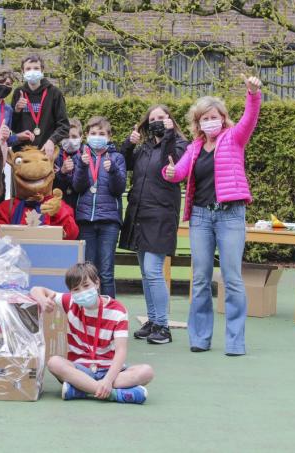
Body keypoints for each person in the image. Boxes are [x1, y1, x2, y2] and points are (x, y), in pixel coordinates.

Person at [163, 75, 262, 356]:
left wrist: (252, 94)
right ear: (198, 122)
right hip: (201, 218)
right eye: (204, 117)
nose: (210, 121)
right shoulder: (194, 148)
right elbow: (179, 172)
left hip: (230, 215)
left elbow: (250, 118)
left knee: (231, 278)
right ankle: (200, 338)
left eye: (214, 116)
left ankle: (235, 341)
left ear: (223, 118)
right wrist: (169, 173)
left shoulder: (234, 137)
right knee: (201, 278)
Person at [31, 262, 154, 403]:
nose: (82, 292)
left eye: (86, 286)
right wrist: (42, 300)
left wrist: (108, 380)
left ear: (97, 283)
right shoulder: (70, 302)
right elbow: (36, 289)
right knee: (54, 363)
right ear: (71, 292)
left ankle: (81, 389)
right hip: (80, 369)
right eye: (76, 289)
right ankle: (113, 394)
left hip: (109, 370)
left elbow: (121, 351)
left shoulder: (118, 311)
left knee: (146, 371)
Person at [119, 105, 189, 345]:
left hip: (161, 215)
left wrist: (168, 135)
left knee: (153, 271)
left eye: (162, 117)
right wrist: (129, 143)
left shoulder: (179, 143)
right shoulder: (144, 148)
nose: (157, 121)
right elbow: (124, 162)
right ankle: (152, 320)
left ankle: (162, 325)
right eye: (153, 118)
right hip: (139, 214)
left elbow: (176, 163)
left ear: (170, 119)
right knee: (146, 273)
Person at [72, 117, 126, 298]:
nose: (97, 137)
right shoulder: (81, 157)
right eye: (93, 133)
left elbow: (119, 189)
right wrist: (81, 166)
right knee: (88, 270)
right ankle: (89, 310)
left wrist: (113, 171)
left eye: (101, 134)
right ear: (86, 135)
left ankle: (109, 311)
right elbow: (77, 187)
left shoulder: (117, 158)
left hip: (109, 222)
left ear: (109, 136)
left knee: (106, 272)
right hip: (86, 220)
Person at [10, 54, 70, 158]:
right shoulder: (18, 93)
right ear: (22, 71)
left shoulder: (54, 93)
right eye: (28, 68)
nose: (32, 71)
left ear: (42, 70)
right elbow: (12, 126)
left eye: (36, 68)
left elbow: (64, 126)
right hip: (22, 153)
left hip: (45, 152)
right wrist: (17, 110)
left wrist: (52, 140)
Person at [54, 118, 83, 210]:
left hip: (80, 209)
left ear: (81, 138)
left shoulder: (87, 157)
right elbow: (52, 186)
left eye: (74, 137)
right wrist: (61, 172)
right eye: (66, 137)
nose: (70, 140)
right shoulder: (54, 157)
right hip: (60, 208)